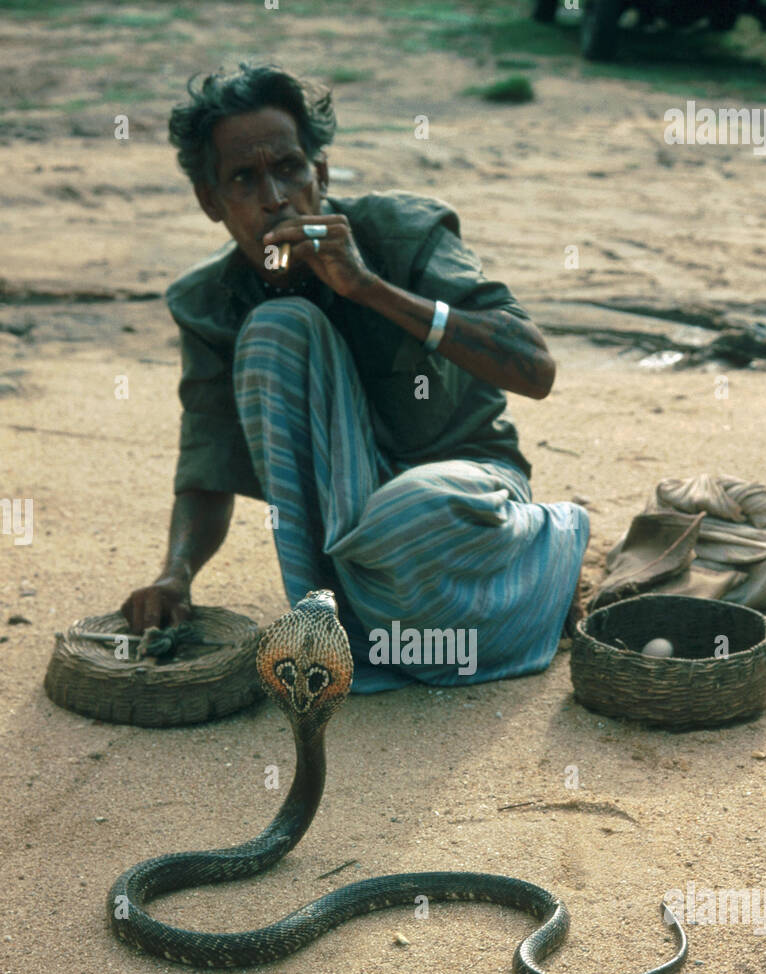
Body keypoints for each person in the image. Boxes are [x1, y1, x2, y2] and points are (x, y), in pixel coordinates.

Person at [121, 63, 588, 691]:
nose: (275, 198)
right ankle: (332, 619)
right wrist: (176, 573)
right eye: (243, 179)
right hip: (346, 535)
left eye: (289, 168)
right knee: (277, 327)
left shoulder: (405, 232)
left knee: (411, 511)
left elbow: (535, 368)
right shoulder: (207, 302)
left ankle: (551, 546)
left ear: (322, 173)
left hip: (459, 497)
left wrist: (367, 288)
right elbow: (206, 464)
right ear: (211, 201)